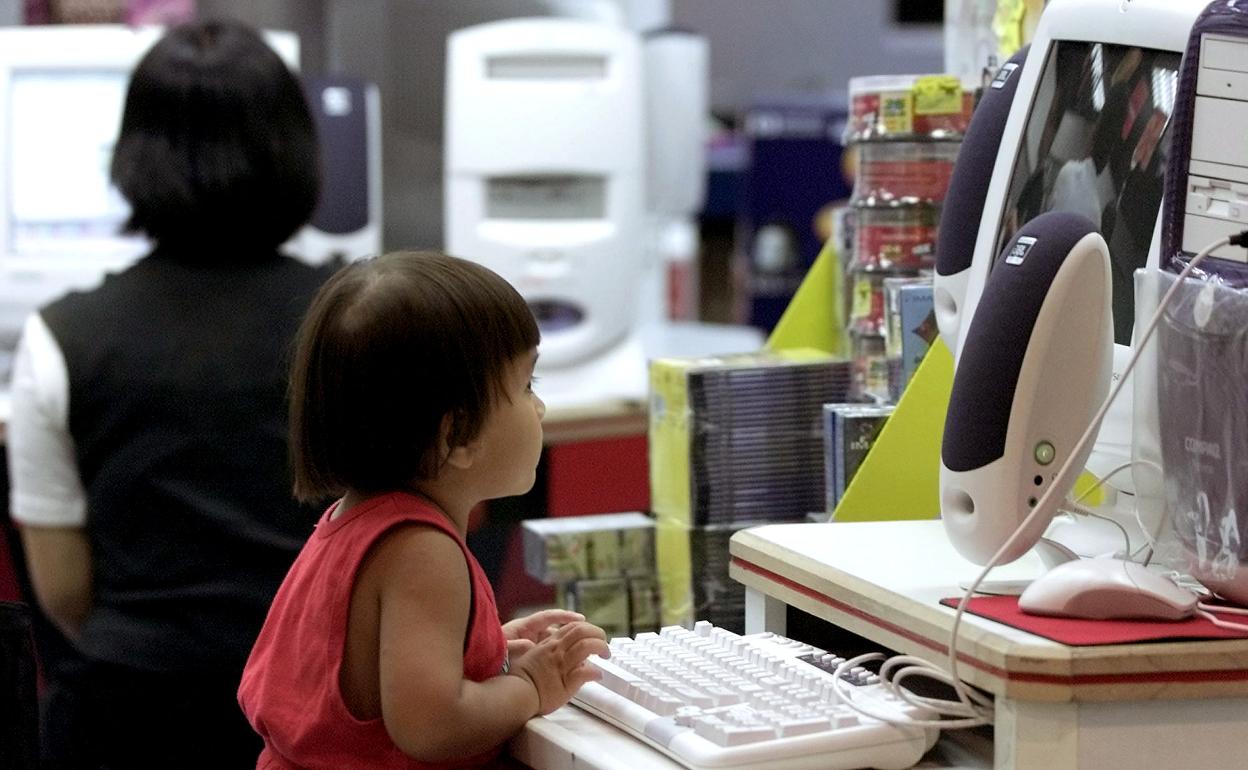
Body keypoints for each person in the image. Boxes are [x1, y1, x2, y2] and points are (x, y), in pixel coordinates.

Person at [6, 19, 334, 769]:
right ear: (295, 149)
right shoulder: (355, 319)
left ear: (132, 156)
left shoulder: (61, 339)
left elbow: (63, 590)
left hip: (129, 721)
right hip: (315, 712)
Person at [238, 251, 609, 769]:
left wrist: (488, 652)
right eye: (527, 385)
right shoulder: (422, 550)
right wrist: (530, 686)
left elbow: (375, 679)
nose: (540, 407)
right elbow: (431, 726)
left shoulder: (357, 521)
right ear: (456, 435)